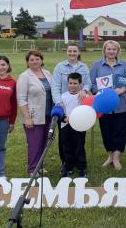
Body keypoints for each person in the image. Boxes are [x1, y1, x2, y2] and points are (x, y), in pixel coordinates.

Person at [90, 40, 126, 170]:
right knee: (106, 131)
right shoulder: (97, 66)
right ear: (104, 50)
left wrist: (122, 89)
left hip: (121, 105)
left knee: (119, 132)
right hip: (104, 106)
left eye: (114, 49)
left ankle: (116, 158)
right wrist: (102, 91)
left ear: (117, 51)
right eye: (109, 49)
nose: (111, 51)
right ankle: (110, 156)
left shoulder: (123, 66)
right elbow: (92, 84)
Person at [51, 43, 91, 174]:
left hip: (79, 108)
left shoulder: (84, 67)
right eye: (70, 51)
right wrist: (59, 104)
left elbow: (88, 83)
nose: (72, 53)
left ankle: (81, 165)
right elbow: (55, 86)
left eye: (75, 51)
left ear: (78, 52)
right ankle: (66, 163)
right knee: (65, 140)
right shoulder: (59, 67)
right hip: (64, 107)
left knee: (79, 140)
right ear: (66, 52)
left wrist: (84, 90)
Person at [17, 50, 53, 177]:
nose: (35, 62)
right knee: (34, 143)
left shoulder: (47, 73)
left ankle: (40, 165)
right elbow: (21, 98)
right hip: (33, 116)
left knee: (44, 141)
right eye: (31, 60)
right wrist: (27, 118)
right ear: (27, 62)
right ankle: (32, 169)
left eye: (37, 59)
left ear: (42, 60)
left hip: (48, 114)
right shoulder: (24, 76)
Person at [60, 73, 87, 178]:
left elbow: (87, 111)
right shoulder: (63, 96)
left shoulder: (83, 97)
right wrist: (64, 118)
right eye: (70, 83)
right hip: (65, 125)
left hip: (79, 125)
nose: (72, 85)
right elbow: (60, 110)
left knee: (79, 147)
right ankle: (68, 167)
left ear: (80, 84)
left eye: (75, 83)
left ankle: (82, 168)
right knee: (67, 147)